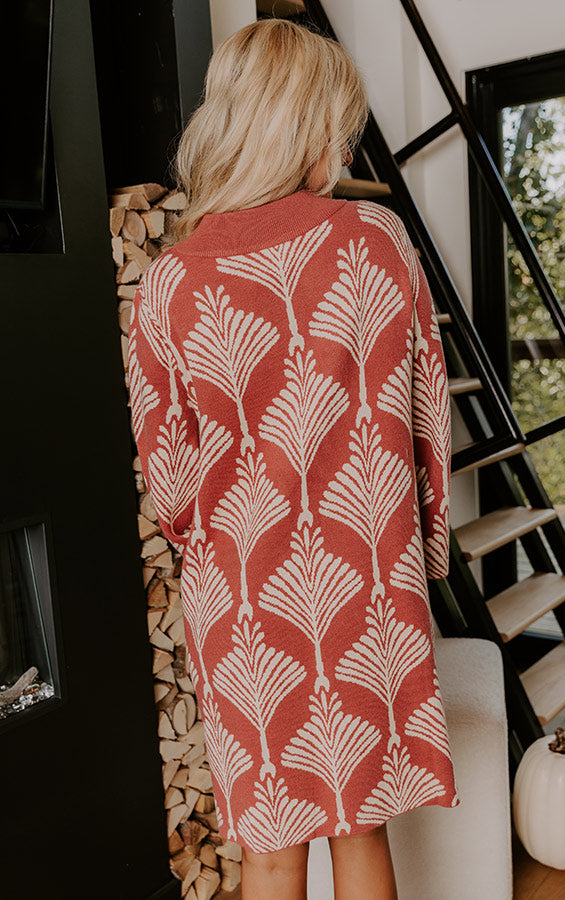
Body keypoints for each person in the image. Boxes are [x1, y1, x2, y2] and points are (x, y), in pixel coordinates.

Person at [128, 16, 459, 900]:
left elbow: (170, 483)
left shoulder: (170, 282)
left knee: (270, 850)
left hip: (241, 602)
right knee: (361, 831)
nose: (343, 147)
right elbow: (429, 418)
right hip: (364, 581)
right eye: (338, 127)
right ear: (308, 126)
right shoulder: (377, 240)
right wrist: (422, 552)